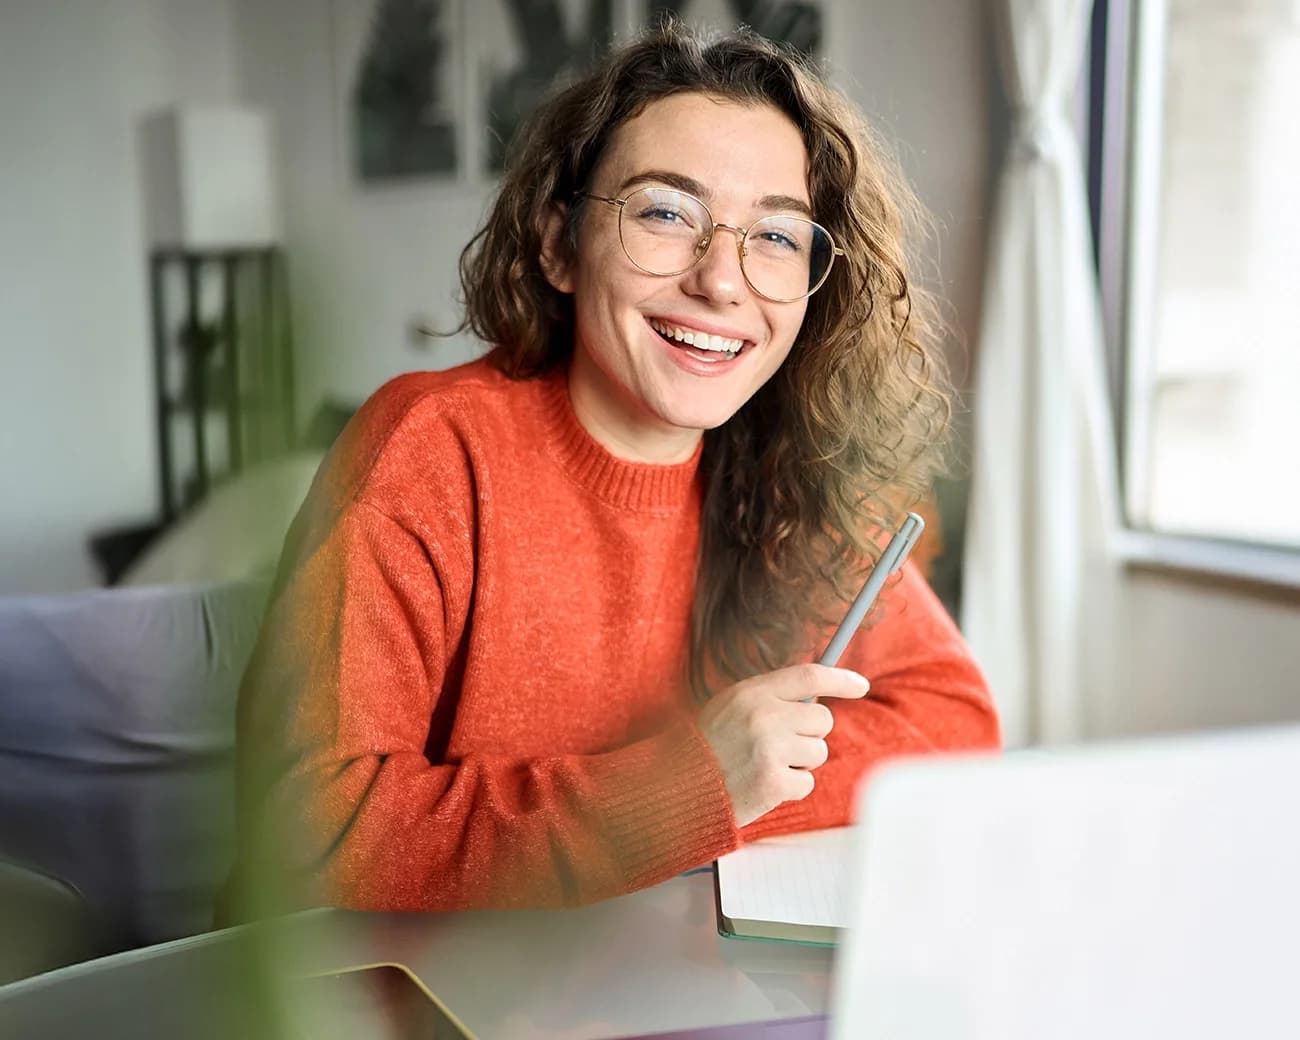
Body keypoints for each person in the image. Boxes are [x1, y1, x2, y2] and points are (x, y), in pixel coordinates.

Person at [224, 20, 1000, 920]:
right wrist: (686, 792)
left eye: (777, 237)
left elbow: (954, 721)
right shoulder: (430, 447)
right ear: (559, 244)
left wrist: (749, 787)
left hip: (642, 978)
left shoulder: (796, 472)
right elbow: (310, 831)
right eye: (667, 213)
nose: (723, 281)